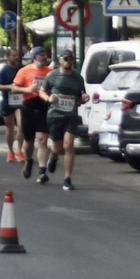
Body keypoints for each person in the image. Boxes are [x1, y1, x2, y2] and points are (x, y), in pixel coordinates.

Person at [40, 50, 88, 190]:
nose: (68, 61)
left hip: (71, 116)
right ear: (60, 60)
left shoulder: (78, 78)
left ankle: (67, 179)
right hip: (55, 115)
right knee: (58, 147)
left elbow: (80, 97)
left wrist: (84, 99)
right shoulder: (52, 75)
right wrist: (48, 98)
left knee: (69, 145)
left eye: (71, 59)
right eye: (66, 58)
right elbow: (42, 91)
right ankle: (53, 156)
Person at [13, 46, 53, 179]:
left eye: (45, 54)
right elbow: (14, 89)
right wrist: (28, 90)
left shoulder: (51, 72)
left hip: (44, 105)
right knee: (29, 140)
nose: (44, 57)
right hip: (28, 106)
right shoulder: (24, 71)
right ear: (34, 57)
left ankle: (42, 170)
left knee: (42, 139)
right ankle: (29, 160)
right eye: (41, 54)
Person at [0, 51, 23, 163]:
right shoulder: (4, 71)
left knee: (22, 125)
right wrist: (10, 87)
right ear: (8, 57)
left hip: (20, 102)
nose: (16, 57)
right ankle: (10, 151)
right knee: (9, 128)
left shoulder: (22, 69)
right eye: (14, 55)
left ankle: (19, 150)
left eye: (17, 55)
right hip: (8, 101)